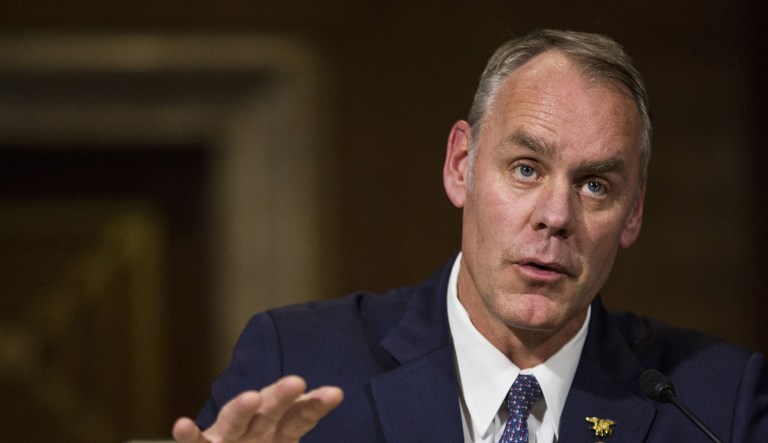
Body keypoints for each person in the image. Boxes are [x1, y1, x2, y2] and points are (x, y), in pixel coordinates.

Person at [173, 29, 768, 442]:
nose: (555, 216)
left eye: (594, 186)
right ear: (461, 165)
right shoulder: (297, 363)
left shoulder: (717, 403)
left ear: (633, 213)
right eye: (526, 168)